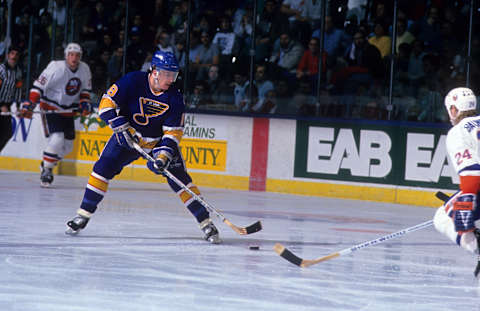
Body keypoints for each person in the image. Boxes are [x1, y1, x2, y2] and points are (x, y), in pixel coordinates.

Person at [64, 50, 221, 244]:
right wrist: (118, 124)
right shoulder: (133, 81)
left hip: (157, 143)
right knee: (102, 169)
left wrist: (163, 157)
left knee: (180, 181)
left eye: (174, 74)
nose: (171, 79)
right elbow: (105, 104)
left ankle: (205, 222)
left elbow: (173, 133)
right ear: (154, 71)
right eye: (167, 74)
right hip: (127, 138)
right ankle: (83, 214)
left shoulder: (175, 97)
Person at [19, 43, 93, 187]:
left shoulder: (84, 69)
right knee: (57, 138)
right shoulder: (55, 67)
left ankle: (46, 163)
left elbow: (84, 90)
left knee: (68, 147)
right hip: (50, 108)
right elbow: (38, 86)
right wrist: (31, 103)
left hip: (68, 111)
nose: (74, 58)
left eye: (77, 55)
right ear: (66, 56)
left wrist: (85, 103)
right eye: (71, 55)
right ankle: (47, 170)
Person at [433, 87, 480, 277]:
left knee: (442, 218)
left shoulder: (458, 132)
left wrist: (463, 206)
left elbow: (472, 173)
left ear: (454, 109)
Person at [0, 45, 23, 153]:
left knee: (7, 133)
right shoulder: (1, 69)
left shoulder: (18, 71)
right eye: (12, 53)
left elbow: (18, 90)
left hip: (7, 105)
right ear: (8, 55)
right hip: (1, 104)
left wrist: (18, 107)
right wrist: (1, 106)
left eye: (16, 54)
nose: (14, 56)